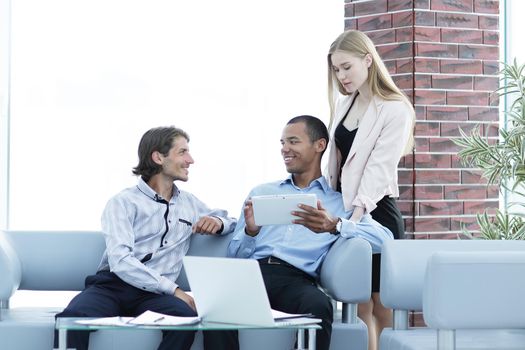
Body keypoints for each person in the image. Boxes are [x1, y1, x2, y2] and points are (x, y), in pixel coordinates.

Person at [54, 126, 239, 350]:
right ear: (158, 157)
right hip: (113, 286)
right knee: (71, 320)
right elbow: (120, 260)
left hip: (154, 296)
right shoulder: (123, 202)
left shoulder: (190, 204)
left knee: (184, 322)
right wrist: (174, 290)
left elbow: (231, 220)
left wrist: (218, 223)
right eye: (182, 152)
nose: (190, 160)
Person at [227, 115, 393, 350]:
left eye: (293, 142)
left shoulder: (339, 203)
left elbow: (386, 239)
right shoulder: (262, 191)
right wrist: (250, 232)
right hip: (253, 274)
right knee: (219, 307)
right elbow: (233, 257)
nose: (285, 149)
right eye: (282, 143)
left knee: (319, 305)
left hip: (295, 279)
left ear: (319, 145)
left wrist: (335, 225)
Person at [325, 29, 415, 350]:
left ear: (367, 59)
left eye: (346, 67)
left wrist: (358, 215)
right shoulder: (344, 103)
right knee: (359, 302)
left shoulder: (395, 108)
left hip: (376, 214)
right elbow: (335, 164)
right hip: (346, 213)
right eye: (336, 69)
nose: (341, 76)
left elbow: (380, 167)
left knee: (380, 303)